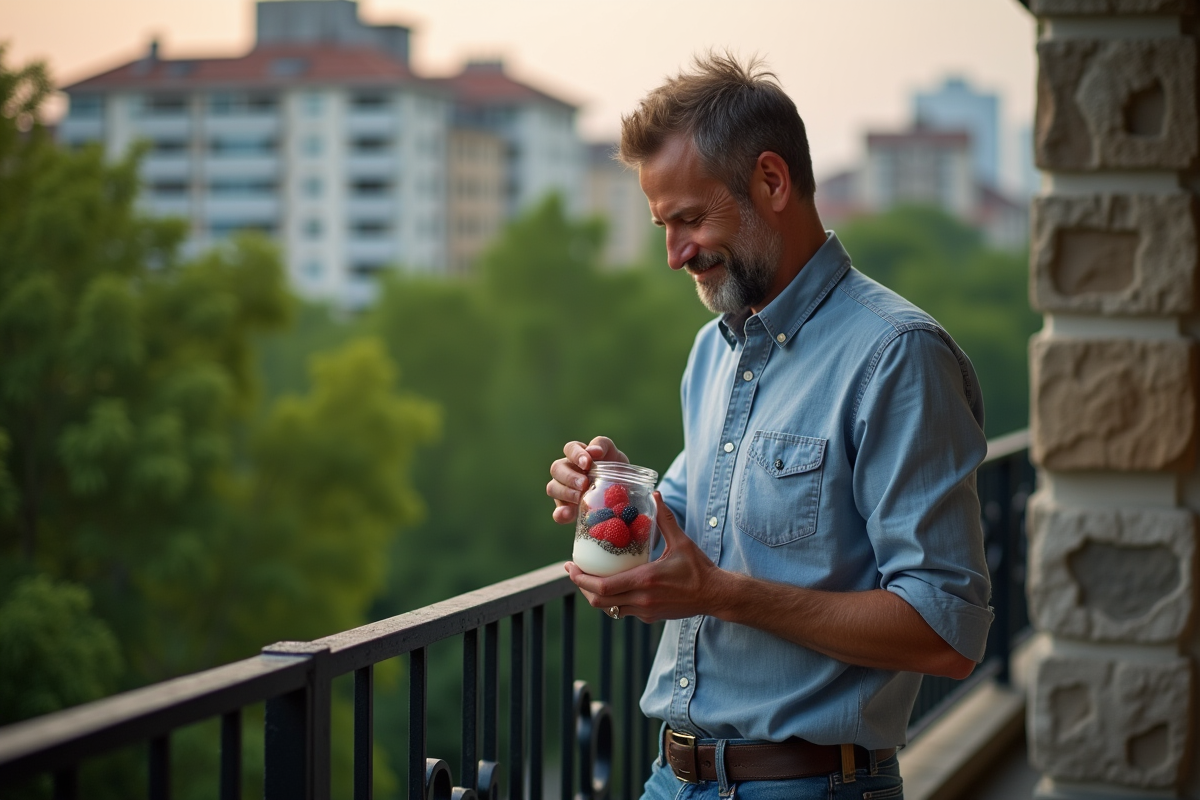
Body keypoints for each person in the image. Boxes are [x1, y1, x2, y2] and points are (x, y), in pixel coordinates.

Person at [546, 53, 991, 800]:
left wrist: (723, 594)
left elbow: (946, 632)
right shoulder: (711, 351)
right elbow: (694, 538)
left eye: (689, 219)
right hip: (668, 780)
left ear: (772, 182)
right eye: (663, 225)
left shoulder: (896, 355)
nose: (673, 254)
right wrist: (619, 500)